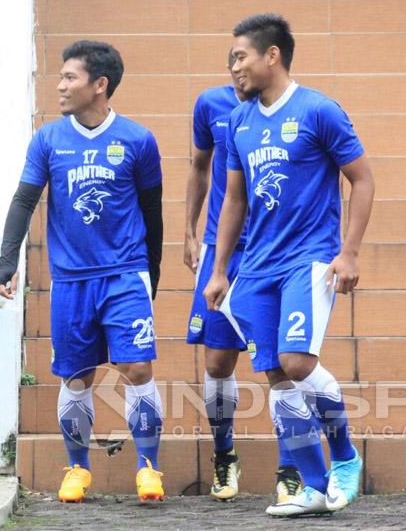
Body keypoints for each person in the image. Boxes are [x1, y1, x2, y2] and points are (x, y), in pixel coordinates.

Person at [203, 13, 375, 517]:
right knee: (277, 377)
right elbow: (233, 200)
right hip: (256, 266)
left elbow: (362, 180)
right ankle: (315, 487)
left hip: (309, 259)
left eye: (240, 57)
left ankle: (344, 457)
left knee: (299, 362)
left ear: (271, 55)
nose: (233, 67)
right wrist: (219, 271)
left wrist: (350, 251)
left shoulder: (320, 110)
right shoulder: (238, 121)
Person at [0, 40, 165, 503]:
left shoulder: (137, 140)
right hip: (70, 280)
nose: (61, 85)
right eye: (61, 77)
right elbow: (24, 200)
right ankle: (78, 468)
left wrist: (153, 272)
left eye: (70, 77)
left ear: (100, 85)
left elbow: (152, 211)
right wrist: (8, 261)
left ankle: (149, 467)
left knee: (138, 366)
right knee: (76, 377)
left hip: (125, 273)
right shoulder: (48, 140)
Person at [184, 50, 248, 501]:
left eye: (244, 58)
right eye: (231, 61)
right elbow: (199, 166)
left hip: (274, 250)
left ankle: (292, 467)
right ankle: (225, 457)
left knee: (283, 364)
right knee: (217, 361)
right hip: (220, 249)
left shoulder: (302, 110)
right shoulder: (211, 104)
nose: (237, 69)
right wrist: (189, 232)